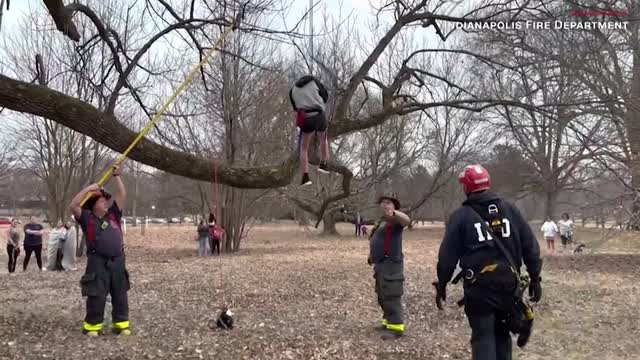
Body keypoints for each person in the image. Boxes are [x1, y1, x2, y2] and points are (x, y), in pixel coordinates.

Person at [433, 164, 542, 360]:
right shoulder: (510, 210)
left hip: (479, 290)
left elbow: (447, 257)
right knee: (502, 336)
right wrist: (535, 278)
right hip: (509, 287)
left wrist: (442, 283)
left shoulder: (461, 217)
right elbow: (530, 246)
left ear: (466, 188)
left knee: (483, 337)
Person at [70, 164, 130, 337]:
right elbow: (73, 205)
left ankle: (121, 324)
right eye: (102, 201)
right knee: (97, 294)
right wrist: (89, 188)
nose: (106, 203)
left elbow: (122, 195)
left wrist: (117, 176)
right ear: (94, 205)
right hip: (98, 262)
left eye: (106, 201)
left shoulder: (113, 215)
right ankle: (92, 327)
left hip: (118, 260)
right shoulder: (87, 218)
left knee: (120, 293)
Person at [367, 194, 411, 340]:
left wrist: (395, 214)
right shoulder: (382, 222)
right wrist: (371, 256)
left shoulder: (396, 222)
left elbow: (407, 220)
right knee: (382, 295)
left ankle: (396, 327)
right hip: (380, 264)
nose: (385, 205)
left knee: (391, 295)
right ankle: (387, 322)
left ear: (394, 206)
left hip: (391, 265)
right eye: (383, 203)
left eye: (388, 203)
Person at [289, 75, 330, 186]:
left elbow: (295, 109)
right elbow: (325, 96)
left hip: (306, 119)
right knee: (323, 138)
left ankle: (305, 177)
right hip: (319, 115)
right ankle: (323, 163)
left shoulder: (292, 90)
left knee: (304, 148)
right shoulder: (314, 81)